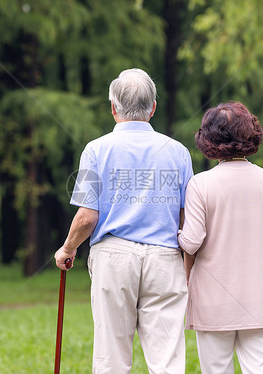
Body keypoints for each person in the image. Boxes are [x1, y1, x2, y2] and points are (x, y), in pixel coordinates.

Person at [55, 68, 194, 374]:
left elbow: (87, 216)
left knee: (111, 357)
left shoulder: (95, 150)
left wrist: (67, 249)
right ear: (153, 107)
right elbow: (186, 218)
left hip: (114, 259)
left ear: (113, 108)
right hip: (165, 258)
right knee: (167, 359)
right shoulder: (179, 153)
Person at [178, 101, 263, 374]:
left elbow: (192, 242)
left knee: (216, 369)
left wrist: (178, 234)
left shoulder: (200, 184)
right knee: (262, 368)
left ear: (208, 139)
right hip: (260, 297)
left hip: (212, 300)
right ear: (250, 135)